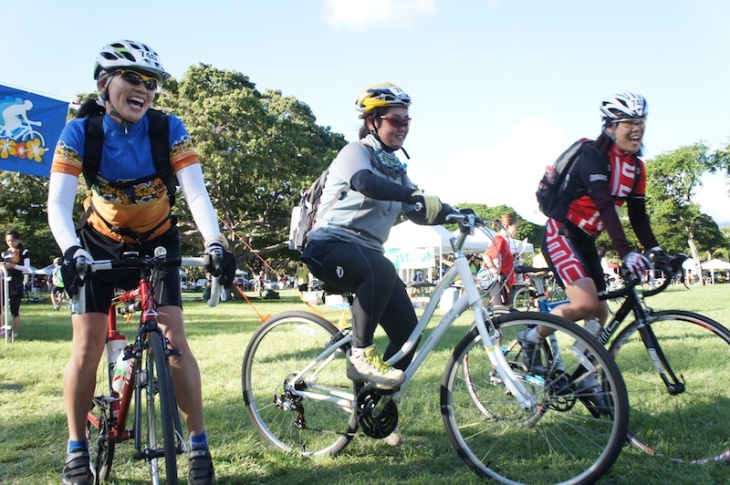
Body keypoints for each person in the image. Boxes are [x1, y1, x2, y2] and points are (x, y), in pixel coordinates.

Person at [47, 39, 234, 485]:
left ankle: (198, 445)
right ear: (103, 84)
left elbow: (195, 192)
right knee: (88, 345)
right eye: (132, 78)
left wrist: (215, 241)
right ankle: (76, 449)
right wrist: (71, 251)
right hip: (97, 242)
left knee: (174, 337)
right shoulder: (81, 132)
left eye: (150, 83)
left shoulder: (168, 128)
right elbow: (57, 203)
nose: (143, 89)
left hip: (157, 242)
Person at [301, 82, 452, 398]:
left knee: (408, 338)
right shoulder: (355, 152)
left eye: (407, 121)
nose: (403, 128)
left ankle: (370, 405)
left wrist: (455, 213)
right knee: (380, 267)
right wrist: (411, 194)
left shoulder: (396, 170)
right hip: (327, 246)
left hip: (368, 256)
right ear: (372, 122)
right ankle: (360, 354)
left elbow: (416, 208)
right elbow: (364, 182)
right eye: (396, 121)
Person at [520, 92, 665, 394]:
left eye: (641, 122)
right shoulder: (593, 157)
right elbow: (604, 206)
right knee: (585, 304)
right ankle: (530, 337)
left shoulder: (637, 168)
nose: (637, 129)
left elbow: (638, 216)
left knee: (600, 314)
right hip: (562, 232)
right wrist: (625, 254)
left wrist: (654, 249)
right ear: (611, 126)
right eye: (629, 123)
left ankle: (586, 379)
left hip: (586, 240)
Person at [481, 214, 519, 307]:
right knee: (498, 307)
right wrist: (495, 271)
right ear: (507, 226)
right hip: (494, 278)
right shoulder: (500, 240)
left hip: (498, 278)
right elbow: (486, 256)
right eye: (516, 227)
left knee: (499, 307)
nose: (517, 230)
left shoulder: (503, 240)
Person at [0, 230, 31, 339]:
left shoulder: (24, 252)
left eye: (13, 241)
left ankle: (15, 332)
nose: (10, 243)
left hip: (16, 282)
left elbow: (27, 268)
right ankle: (2, 330)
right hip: (4, 282)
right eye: (8, 241)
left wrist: (13, 266)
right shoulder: (4, 253)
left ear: (18, 240)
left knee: (14, 310)